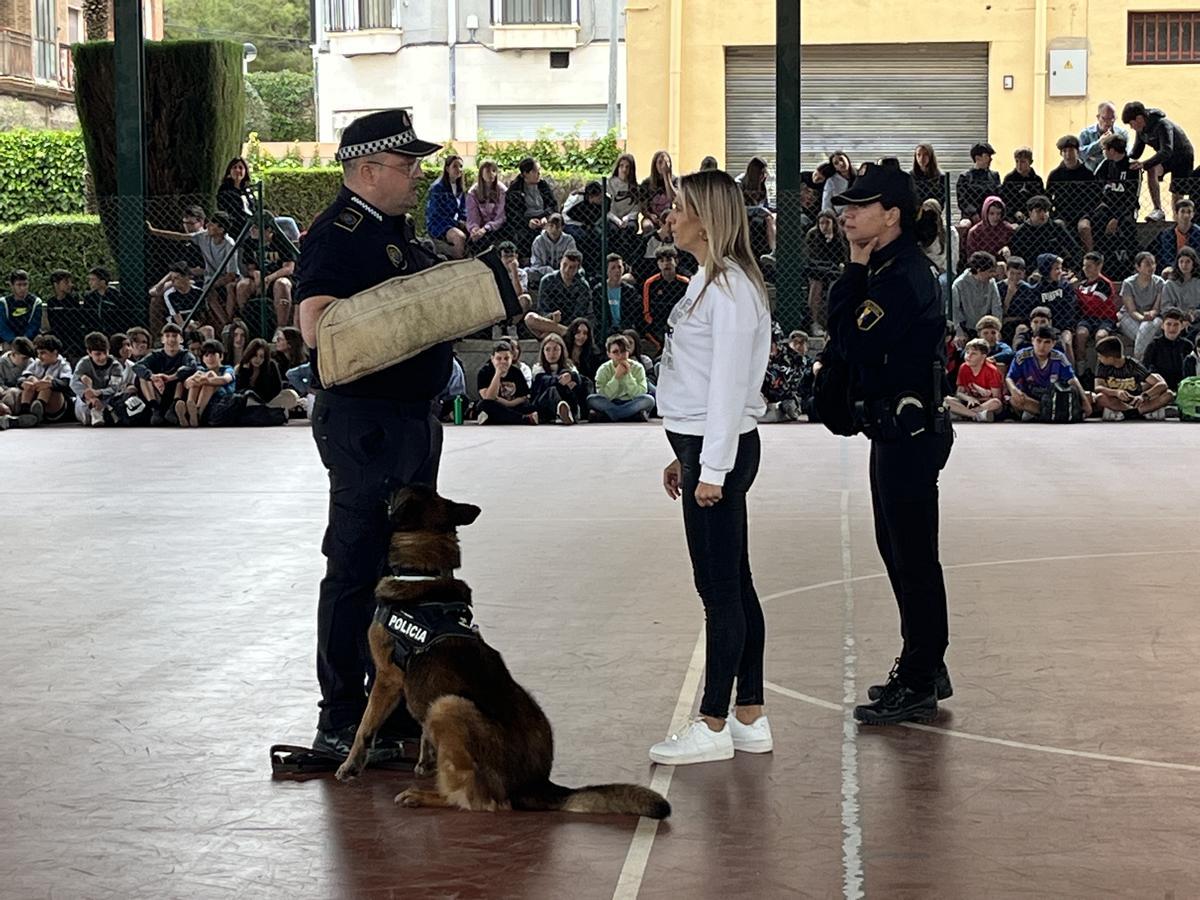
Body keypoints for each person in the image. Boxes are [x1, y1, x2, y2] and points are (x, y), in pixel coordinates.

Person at [293, 109, 451, 760]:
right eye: (406, 164)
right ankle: (340, 717)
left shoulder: (393, 230)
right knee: (356, 569)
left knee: (403, 571)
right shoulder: (339, 234)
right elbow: (315, 325)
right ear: (366, 170)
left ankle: (389, 715)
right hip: (366, 425)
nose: (416, 174)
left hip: (408, 421)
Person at [819, 163, 954, 725]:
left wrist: (851, 270)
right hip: (892, 430)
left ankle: (922, 676)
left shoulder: (901, 275)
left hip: (911, 431)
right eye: (845, 205)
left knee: (913, 555)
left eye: (860, 205)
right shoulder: (884, 267)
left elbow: (849, 335)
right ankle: (926, 664)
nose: (846, 212)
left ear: (891, 214)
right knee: (897, 550)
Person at [647, 167, 772, 764]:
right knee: (734, 584)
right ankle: (750, 713)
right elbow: (694, 379)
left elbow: (726, 390)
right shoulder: (708, 281)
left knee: (718, 590)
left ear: (709, 219)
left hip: (716, 450)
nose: (671, 216)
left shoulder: (729, 291)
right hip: (699, 447)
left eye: (680, 207)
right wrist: (684, 457)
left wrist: (712, 471)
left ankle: (714, 721)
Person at [1122, 101, 1195, 221]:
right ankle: (1158, 210)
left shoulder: (1162, 124)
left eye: (1131, 123)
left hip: (1183, 157)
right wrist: (1122, 157)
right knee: (1151, 169)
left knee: (1177, 193)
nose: (1131, 127)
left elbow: (1167, 150)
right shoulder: (1141, 131)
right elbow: (1136, 153)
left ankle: (1178, 220)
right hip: (1166, 157)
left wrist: (1144, 163)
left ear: (1139, 119)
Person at [1005, 325, 1093, 421]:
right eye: (1039, 341)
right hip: (1032, 397)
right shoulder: (1022, 356)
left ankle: (1039, 414)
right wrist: (1014, 390)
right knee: (1015, 400)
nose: (1042, 346)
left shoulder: (1059, 357)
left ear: (1053, 343)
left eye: (1047, 342)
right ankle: (1053, 414)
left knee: (1089, 396)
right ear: (1032, 340)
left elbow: (1072, 380)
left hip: (1055, 398)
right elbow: (1009, 378)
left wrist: (1085, 401)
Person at [1091, 334, 1173, 420]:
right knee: (1100, 397)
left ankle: (1133, 412)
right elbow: (1098, 387)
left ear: (1111, 358)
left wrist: (1144, 396)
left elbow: (1162, 385)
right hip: (1117, 401)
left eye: (1101, 357)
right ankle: (1133, 412)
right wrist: (1116, 392)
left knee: (1168, 395)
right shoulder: (1102, 366)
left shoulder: (1133, 365)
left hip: (1137, 400)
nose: (1099, 359)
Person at [133, 323, 198, 425]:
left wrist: (171, 377)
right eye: (167, 336)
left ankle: (173, 408)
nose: (171, 339)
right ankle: (155, 408)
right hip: (158, 390)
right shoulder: (156, 355)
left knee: (183, 375)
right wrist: (153, 377)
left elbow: (192, 366)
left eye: (174, 336)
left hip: (176, 389)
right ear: (162, 339)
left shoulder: (185, 355)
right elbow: (137, 366)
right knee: (142, 377)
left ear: (181, 339)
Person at [524, 249, 593, 339]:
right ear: (560, 262)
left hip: (572, 326)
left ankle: (557, 334)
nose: (567, 270)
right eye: (564, 265)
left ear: (578, 268)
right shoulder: (547, 280)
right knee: (530, 318)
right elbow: (542, 309)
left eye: (572, 267)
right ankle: (563, 332)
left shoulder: (582, 286)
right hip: (550, 323)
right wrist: (551, 316)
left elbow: (579, 315)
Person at [1046, 134, 1097, 254]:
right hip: (1062, 214)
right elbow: (1048, 197)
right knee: (1059, 225)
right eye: (1065, 151)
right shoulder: (1055, 175)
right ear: (1061, 153)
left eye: (1071, 150)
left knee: (1084, 227)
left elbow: (1095, 197)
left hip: (1083, 214)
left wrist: (1089, 214)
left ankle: (1089, 258)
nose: (1068, 154)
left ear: (1077, 151)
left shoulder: (1087, 174)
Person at [587, 334, 655, 421]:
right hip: (611, 402)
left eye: (623, 351)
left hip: (632, 401)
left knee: (649, 400)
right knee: (591, 399)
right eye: (615, 352)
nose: (620, 355)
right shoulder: (603, 369)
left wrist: (627, 375)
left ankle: (612, 415)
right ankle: (630, 415)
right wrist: (616, 378)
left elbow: (640, 393)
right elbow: (603, 395)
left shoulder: (638, 367)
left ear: (628, 352)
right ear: (609, 354)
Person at [70, 331, 129, 426]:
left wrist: (98, 393)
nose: (102, 357)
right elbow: (73, 383)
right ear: (89, 352)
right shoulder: (83, 364)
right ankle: (94, 410)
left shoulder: (115, 365)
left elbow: (114, 387)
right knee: (84, 378)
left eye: (105, 352)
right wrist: (88, 395)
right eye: (97, 354)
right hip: (87, 398)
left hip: (106, 397)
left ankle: (102, 413)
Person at [530, 333, 589, 425]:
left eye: (556, 349)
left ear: (562, 351)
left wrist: (571, 377)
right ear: (543, 352)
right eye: (548, 350)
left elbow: (578, 380)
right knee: (552, 389)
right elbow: (542, 381)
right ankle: (560, 409)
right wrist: (561, 380)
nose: (551, 353)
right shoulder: (538, 368)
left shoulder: (569, 366)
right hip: (544, 405)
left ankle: (568, 413)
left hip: (567, 398)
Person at [504, 156, 558, 258]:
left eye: (539, 171)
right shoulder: (515, 190)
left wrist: (546, 217)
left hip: (544, 219)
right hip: (525, 222)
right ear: (525, 173)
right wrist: (527, 222)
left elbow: (553, 205)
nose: (538, 174)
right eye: (534, 171)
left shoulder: (543, 185)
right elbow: (512, 213)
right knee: (525, 235)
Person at [640, 245, 691, 353]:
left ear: (676, 261)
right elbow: (646, 310)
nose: (666, 263)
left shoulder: (685, 283)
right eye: (662, 261)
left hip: (679, 322)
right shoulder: (650, 283)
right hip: (658, 323)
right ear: (658, 264)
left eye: (669, 260)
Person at [475, 340, 537, 425]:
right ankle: (523, 419)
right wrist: (498, 374)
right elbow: (488, 397)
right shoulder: (484, 372)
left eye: (506, 358)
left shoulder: (516, 372)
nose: (503, 362)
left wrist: (509, 404)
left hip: (513, 406)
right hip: (495, 405)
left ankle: (493, 419)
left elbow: (524, 397)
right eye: (499, 358)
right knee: (484, 405)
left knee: (533, 407)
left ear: (511, 358)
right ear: (492, 359)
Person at [1074, 250, 1120, 364]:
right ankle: (1081, 367)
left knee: (1101, 336)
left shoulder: (1104, 284)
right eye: (1084, 266)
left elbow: (1093, 304)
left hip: (1105, 319)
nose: (1085, 269)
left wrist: (1078, 296)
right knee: (1081, 334)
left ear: (1099, 266)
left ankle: (1100, 368)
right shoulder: (1082, 285)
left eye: (1089, 266)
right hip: (1087, 318)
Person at [16, 334, 73, 425]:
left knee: (49, 379)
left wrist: (49, 383)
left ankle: (39, 407)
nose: (39, 356)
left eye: (43, 353)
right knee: (30, 378)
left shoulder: (63, 365)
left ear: (55, 352)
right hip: (34, 395)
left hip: (56, 407)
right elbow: (21, 378)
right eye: (38, 353)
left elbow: (67, 384)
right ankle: (25, 411)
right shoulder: (36, 363)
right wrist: (24, 383)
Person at [805, 210, 846, 336]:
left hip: (834, 271)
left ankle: (834, 323)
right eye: (821, 223)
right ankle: (814, 322)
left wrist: (832, 240)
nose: (824, 226)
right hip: (817, 270)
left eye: (827, 223)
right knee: (816, 285)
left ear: (833, 223)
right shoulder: (813, 234)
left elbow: (843, 256)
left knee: (835, 287)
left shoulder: (840, 235)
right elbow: (812, 257)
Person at [177, 338, 235, 427]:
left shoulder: (227, 368)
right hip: (206, 398)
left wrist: (206, 380)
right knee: (199, 375)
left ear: (221, 356)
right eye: (206, 355)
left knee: (209, 377)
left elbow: (226, 379)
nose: (209, 358)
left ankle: (197, 413)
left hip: (223, 397)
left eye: (213, 355)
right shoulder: (202, 370)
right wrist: (194, 379)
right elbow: (188, 384)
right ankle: (190, 409)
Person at [1118, 251, 1166, 358]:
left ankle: (1138, 361)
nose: (1151, 267)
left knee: (1149, 326)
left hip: (1152, 318)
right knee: (1146, 334)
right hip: (1130, 318)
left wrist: (1150, 315)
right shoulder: (1128, 283)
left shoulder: (1160, 283)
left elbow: (1156, 308)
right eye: (1147, 264)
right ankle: (1144, 361)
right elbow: (1131, 310)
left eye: (1153, 263)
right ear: (1138, 267)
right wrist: (1143, 318)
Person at [946, 338, 1004, 422]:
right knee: (947, 400)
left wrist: (978, 402)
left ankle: (965, 414)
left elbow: (996, 396)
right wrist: (969, 399)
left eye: (973, 354)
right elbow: (959, 393)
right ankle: (976, 415)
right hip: (969, 402)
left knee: (996, 402)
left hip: (985, 403)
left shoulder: (991, 370)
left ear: (983, 356)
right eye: (967, 352)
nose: (968, 356)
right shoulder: (964, 367)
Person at [236, 337, 301, 410]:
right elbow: (240, 390)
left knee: (291, 395)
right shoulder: (243, 367)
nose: (258, 359)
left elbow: (277, 388)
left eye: (261, 357)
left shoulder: (271, 366)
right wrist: (245, 372)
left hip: (270, 400)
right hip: (251, 402)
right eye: (255, 355)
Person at [425, 154, 469, 259]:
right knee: (460, 237)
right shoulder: (437, 188)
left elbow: (463, 209)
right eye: (455, 166)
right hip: (439, 224)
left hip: (454, 223)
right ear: (447, 168)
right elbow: (436, 214)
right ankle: (458, 262)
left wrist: (465, 221)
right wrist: (457, 223)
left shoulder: (459, 188)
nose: (458, 169)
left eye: (461, 166)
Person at [1141, 307, 1194, 392]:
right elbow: (1145, 367)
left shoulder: (1187, 345)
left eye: (1176, 325)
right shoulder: (1154, 345)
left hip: (1182, 385)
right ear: (1162, 326)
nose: (1172, 328)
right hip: (1160, 385)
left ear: (1182, 326)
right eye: (1168, 324)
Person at [951, 252, 1002, 339]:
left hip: (986, 326)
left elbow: (996, 306)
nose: (993, 275)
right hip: (967, 328)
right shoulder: (959, 284)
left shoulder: (991, 282)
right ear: (979, 270)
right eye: (990, 271)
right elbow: (954, 310)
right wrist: (959, 332)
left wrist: (997, 329)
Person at [465, 159, 507, 254]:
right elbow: (472, 216)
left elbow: (501, 216)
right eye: (488, 171)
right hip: (480, 228)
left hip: (498, 228)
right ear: (481, 173)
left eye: (494, 171)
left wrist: (486, 228)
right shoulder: (473, 192)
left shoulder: (502, 190)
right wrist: (474, 229)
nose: (491, 174)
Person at [956, 142, 1001, 228]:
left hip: (991, 214)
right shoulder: (965, 177)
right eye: (987, 156)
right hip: (970, 216)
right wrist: (973, 213)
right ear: (977, 158)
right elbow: (962, 201)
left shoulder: (994, 176)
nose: (990, 159)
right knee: (964, 225)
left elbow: (998, 196)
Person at [1150, 198, 1200, 273]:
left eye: (1189, 212)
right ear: (1176, 214)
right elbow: (1167, 256)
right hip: (1173, 268)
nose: (1186, 215)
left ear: (1193, 215)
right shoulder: (1167, 234)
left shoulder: (1198, 232)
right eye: (1182, 212)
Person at [594, 252, 639, 332]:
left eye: (619, 267)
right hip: (605, 330)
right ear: (606, 270)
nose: (617, 270)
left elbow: (633, 314)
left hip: (625, 329)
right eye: (613, 268)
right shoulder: (598, 290)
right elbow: (597, 315)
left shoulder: (629, 290)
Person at [1079, 101, 1129, 173]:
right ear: (1098, 117)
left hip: (1115, 175)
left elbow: (1126, 155)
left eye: (1112, 118)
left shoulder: (1122, 134)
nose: (1108, 122)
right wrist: (1099, 143)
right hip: (1090, 176)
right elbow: (1080, 155)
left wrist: (1093, 156)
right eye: (1104, 118)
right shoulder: (1086, 134)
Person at [1000, 148, 1046, 223]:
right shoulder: (1009, 179)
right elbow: (1004, 200)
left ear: (1030, 162)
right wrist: (1014, 212)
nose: (1019, 165)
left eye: (1023, 162)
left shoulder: (1037, 180)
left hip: (1033, 216)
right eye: (1017, 161)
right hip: (1012, 217)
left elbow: (1040, 200)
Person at [528, 213, 577, 284]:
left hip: (564, 272)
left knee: (580, 272)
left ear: (562, 227)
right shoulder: (538, 241)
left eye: (557, 227)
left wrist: (561, 271)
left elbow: (572, 260)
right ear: (546, 226)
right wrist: (548, 270)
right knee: (528, 272)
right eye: (551, 226)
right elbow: (536, 264)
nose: (554, 229)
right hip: (542, 273)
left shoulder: (569, 240)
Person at [0, 270, 43, 345]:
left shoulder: (36, 302)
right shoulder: (4, 302)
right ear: (12, 285)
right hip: (9, 341)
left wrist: (24, 340)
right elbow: (2, 326)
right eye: (19, 285)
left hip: (29, 340)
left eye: (25, 284)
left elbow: (34, 325)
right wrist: (12, 340)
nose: (22, 288)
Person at [640, 150, 678, 230]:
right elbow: (642, 206)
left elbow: (675, 199)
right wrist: (650, 215)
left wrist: (666, 176)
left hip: (668, 215)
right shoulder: (646, 183)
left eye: (666, 162)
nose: (663, 165)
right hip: (651, 217)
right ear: (655, 165)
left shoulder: (674, 180)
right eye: (660, 162)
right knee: (647, 226)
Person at [1163, 246, 1200, 325]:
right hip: (1176, 320)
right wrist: (1182, 315)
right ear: (1177, 263)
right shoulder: (1170, 284)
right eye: (1181, 262)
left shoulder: (1198, 282)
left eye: (1188, 262)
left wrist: (1194, 314)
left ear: (1193, 263)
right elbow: (1165, 308)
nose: (1184, 265)